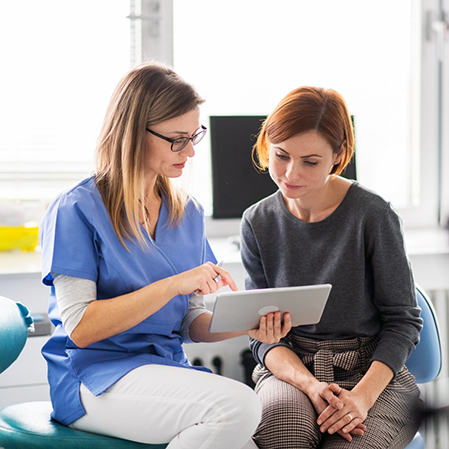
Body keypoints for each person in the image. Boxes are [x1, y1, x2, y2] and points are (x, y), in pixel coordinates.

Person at [39, 61, 292, 449]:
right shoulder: (77, 209)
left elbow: (190, 322)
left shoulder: (185, 213)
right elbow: (81, 327)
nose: (190, 151)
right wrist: (174, 284)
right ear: (132, 132)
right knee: (237, 405)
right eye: (177, 138)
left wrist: (247, 324)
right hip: (93, 377)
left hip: (164, 369)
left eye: (194, 136)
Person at [240, 86, 424, 449]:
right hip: (293, 369)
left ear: (338, 154)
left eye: (310, 161)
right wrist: (310, 385)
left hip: (371, 372)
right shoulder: (257, 221)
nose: (291, 173)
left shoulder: (373, 215)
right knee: (283, 438)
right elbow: (262, 338)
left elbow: (403, 321)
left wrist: (361, 399)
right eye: (280, 156)